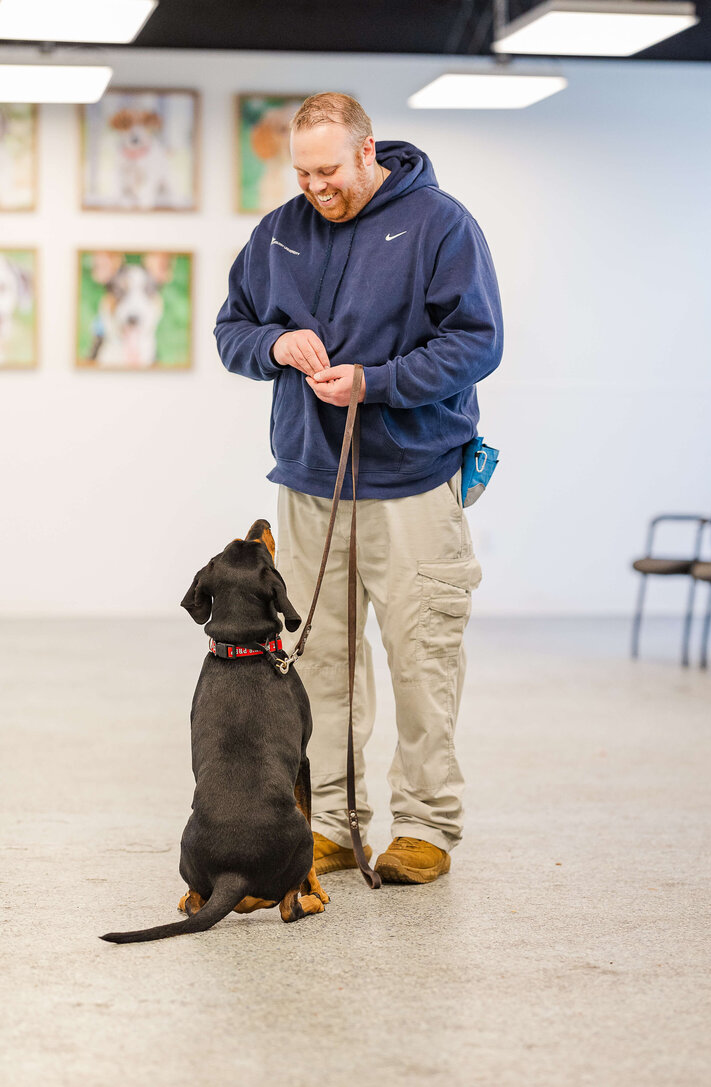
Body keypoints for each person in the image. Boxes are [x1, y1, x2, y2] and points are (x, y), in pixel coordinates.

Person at [214, 92, 502, 884]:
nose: (316, 186)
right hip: (309, 483)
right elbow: (230, 331)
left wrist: (376, 382)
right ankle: (331, 821)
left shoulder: (442, 225)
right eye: (303, 172)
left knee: (422, 656)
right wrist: (275, 345)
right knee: (316, 663)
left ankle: (425, 825)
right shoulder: (278, 233)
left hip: (412, 481)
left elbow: (477, 343)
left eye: (329, 170)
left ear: (368, 151)